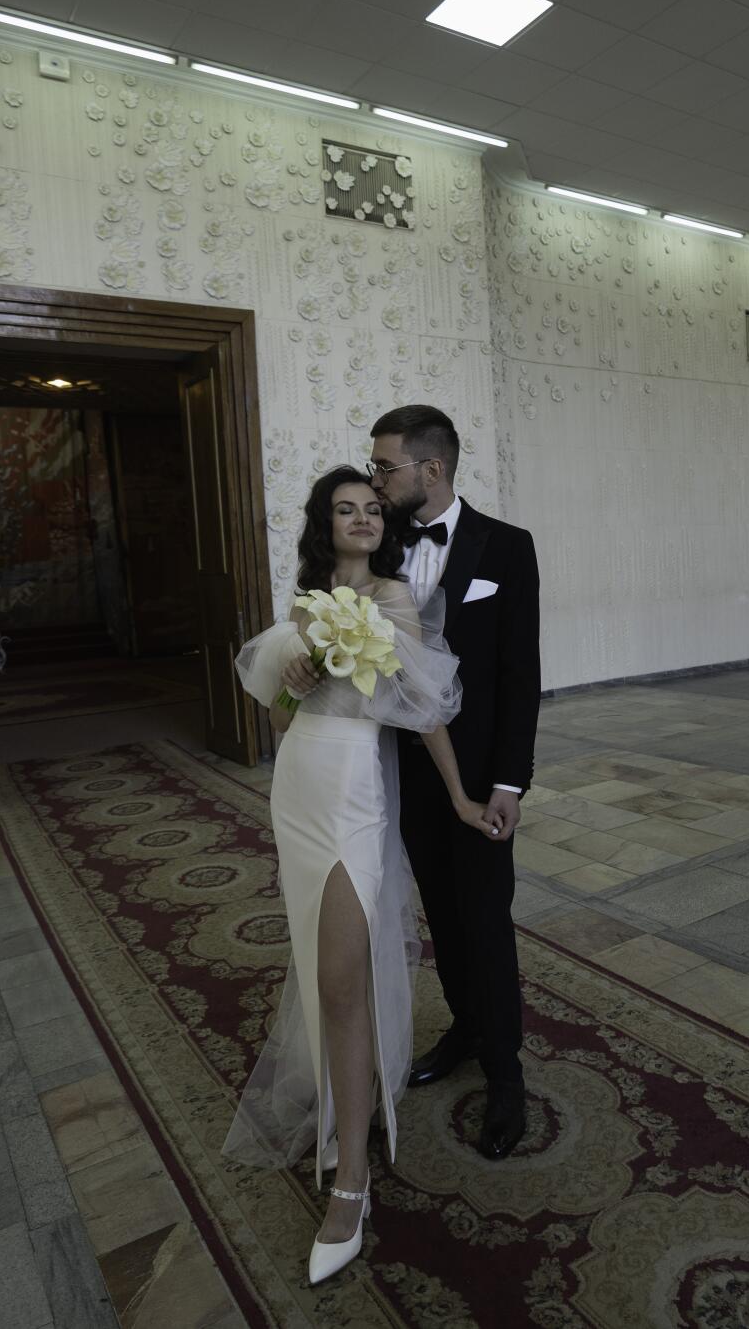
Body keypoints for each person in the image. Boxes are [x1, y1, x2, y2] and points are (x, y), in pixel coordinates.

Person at [223, 467, 490, 1286]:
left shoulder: (397, 599)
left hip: (354, 796)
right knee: (318, 965)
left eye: (374, 509)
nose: (364, 518)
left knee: (343, 976)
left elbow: (425, 707)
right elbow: (276, 718)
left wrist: (459, 793)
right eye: (348, 509)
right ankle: (346, 1109)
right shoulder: (305, 602)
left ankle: (352, 1176)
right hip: (298, 787)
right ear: (325, 523)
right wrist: (295, 682)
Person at [285, 404, 543, 1160]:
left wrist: (508, 782)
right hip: (391, 775)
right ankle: (463, 1027)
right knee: (438, 913)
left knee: (486, 918)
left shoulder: (507, 546)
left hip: (474, 779)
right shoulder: (377, 546)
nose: (374, 479)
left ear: (431, 469)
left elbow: (519, 674)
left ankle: (505, 1069)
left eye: (384, 467)